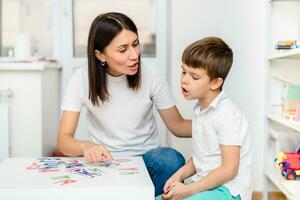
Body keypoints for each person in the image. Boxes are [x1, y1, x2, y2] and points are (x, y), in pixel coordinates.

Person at [56, 12, 191, 196]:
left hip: (147, 161)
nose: (134, 55)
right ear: (100, 55)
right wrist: (85, 147)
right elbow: (64, 140)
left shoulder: (151, 74)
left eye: (135, 44)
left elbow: (178, 126)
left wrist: (217, 122)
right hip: (106, 163)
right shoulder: (80, 79)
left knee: (169, 159)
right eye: (123, 49)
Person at [156, 37, 252, 200]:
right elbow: (203, 157)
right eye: (184, 71)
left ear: (215, 83)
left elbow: (229, 170)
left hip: (228, 191)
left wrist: (188, 190)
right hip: (205, 186)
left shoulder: (228, 115)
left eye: (194, 76)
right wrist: (178, 175)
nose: (184, 80)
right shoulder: (201, 110)